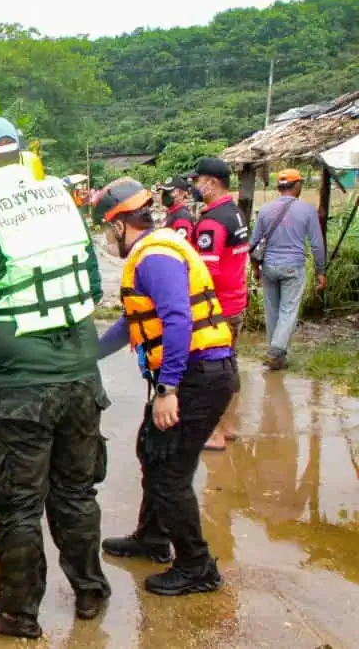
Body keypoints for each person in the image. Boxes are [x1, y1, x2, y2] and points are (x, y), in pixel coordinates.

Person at [0, 117, 110, 638]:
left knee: (16, 503)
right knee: (77, 492)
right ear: (22, 157)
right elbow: (92, 287)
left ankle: (17, 613)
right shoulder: (62, 203)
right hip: (81, 375)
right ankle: (91, 591)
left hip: (18, 389)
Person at [91, 178, 236, 596]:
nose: (107, 237)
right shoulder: (154, 250)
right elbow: (132, 323)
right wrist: (88, 357)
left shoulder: (154, 257)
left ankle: (197, 566)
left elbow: (177, 321)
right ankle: (152, 538)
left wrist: (167, 389)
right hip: (196, 373)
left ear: (120, 226)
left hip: (197, 376)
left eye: (106, 229)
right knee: (152, 450)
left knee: (170, 470)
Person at [186, 157, 247, 451]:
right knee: (230, 365)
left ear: (211, 182)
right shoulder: (235, 213)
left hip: (217, 308)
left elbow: (209, 271)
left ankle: (215, 433)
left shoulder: (212, 221)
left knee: (212, 371)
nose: (195, 186)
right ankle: (229, 425)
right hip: (236, 301)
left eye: (198, 180)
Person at [250, 169, 327, 370]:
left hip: (269, 266)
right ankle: (276, 351)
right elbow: (317, 244)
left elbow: (254, 244)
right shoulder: (307, 210)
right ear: (297, 186)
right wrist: (320, 271)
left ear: (279, 187)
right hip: (293, 267)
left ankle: (277, 357)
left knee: (272, 311)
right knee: (288, 311)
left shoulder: (265, 210)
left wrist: (256, 269)